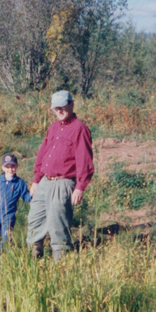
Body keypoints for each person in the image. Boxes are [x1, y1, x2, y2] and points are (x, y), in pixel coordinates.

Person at [27, 90, 94, 260]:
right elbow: (43, 152)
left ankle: (61, 268)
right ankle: (34, 262)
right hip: (44, 181)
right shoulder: (54, 127)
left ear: (71, 105)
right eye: (56, 108)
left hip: (63, 182)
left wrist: (79, 187)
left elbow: (84, 159)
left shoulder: (80, 128)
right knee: (34, 221)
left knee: (58, 226)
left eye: (63, 107)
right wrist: (36, 180)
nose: (59, 111)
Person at [0, 153, 32, 263]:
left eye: (13, 166)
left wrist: (34, 194)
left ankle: (0, 255)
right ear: (3, 168)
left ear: (17, 166)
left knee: (6, 236)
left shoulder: (20, 183)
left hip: (9, 216)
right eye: (7, 167)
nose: (10, 169)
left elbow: (26, 197)